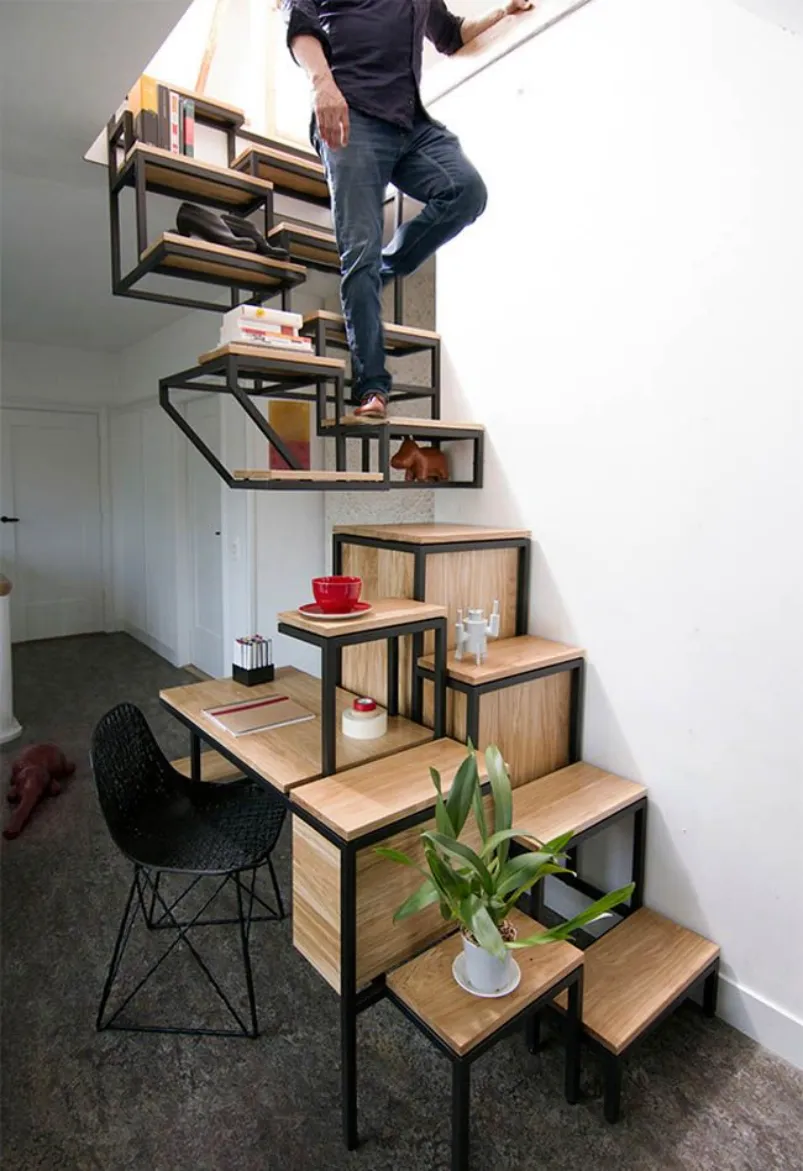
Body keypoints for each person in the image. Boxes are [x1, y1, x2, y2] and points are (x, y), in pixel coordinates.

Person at [281, 0, 532, 418]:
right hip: (351, 115)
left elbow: (450, 34)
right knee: (358, 249)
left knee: (466, 191)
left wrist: (502, 13)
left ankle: (380, 271)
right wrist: (322, 84)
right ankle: (371, 388)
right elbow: (299, 19)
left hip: (410, 125)